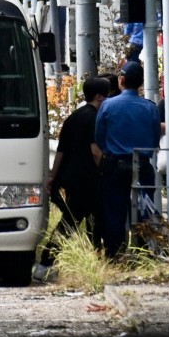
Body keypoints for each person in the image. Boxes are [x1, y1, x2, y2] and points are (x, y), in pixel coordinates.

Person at [34, 77, 109, 282]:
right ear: (99, 96)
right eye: (108, 95)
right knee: (75, 222)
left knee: (80, 221)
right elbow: (95, 151)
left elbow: (61, 151)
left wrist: (53, 176)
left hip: (70, 178)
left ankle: (95, 260)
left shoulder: (74, 117)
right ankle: (46, 262)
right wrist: (104, 169)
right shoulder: (94, 117)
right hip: (88, 179)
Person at [94, 61, 159, 258]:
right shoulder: (150, 107)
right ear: (140, 83)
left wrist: (110, 151)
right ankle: (144, 252)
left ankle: (116, 254)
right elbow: (155, 138)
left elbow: (99, 137)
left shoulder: (108, 105)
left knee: (115, 211)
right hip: (142, 165)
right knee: (144, 208)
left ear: (121, 80)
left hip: (115, 165)